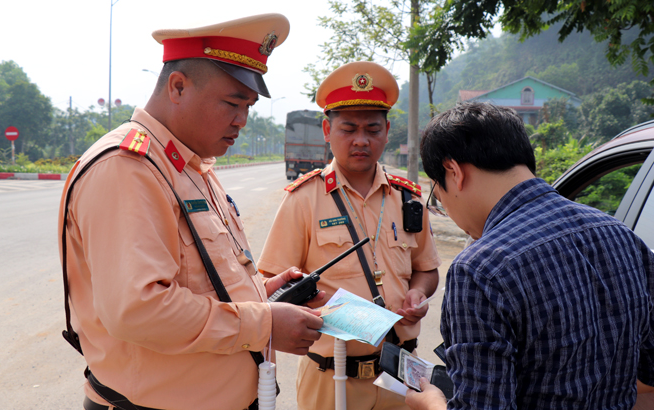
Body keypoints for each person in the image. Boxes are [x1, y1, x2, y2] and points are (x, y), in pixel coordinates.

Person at [58, 14, 324, 410]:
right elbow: (140, 310)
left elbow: (198, 282)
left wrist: (263, 295)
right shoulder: (127, 167)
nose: (242, 120)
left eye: (248, 106)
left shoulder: (189, 165)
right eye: (233, 103)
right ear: (178, 87)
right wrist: (264, 323)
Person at [405, 102, 654, 409]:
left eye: (438, 197)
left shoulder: (479, 269)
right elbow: (649, 371)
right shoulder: (620, 234)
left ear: (454, 172)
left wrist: (430, 402)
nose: (446, 209)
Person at [257, 61, 441, 410]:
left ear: (387, 131)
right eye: (348, 128)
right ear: (327, 130)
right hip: (330, 377)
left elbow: (426, 268)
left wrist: (418, 293)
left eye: (372, 129)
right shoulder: (303, 199)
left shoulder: (407, 198)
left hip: (400, 376)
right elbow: (272, 284)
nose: (361, 140)